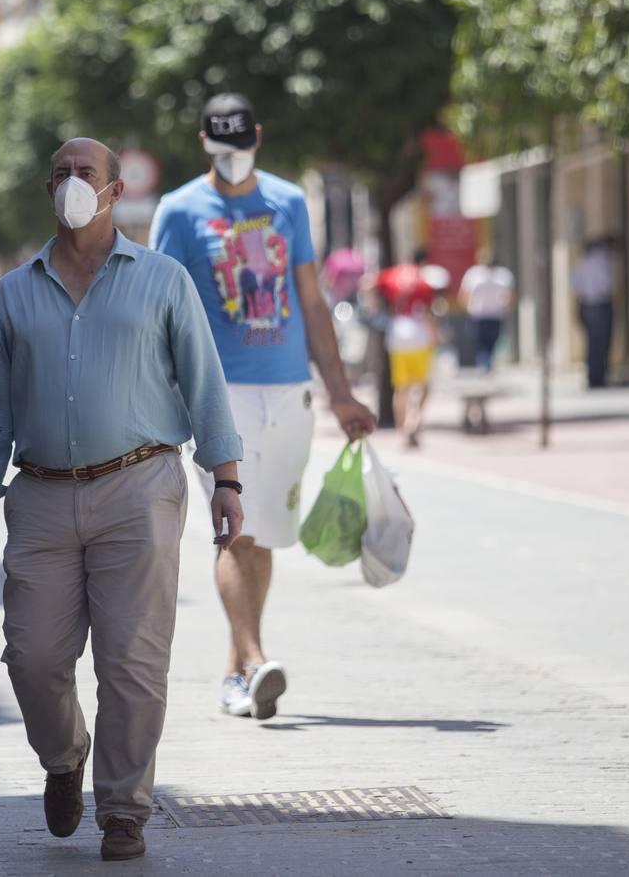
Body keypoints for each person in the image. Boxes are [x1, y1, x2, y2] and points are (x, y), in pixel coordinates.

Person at [0, 138, 244, 863]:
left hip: (140, 485)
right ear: (44, 188)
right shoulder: (14, 294)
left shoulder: (163, 280)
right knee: (31, 657)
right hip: (43, 496)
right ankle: (64, 758)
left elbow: (203, 382)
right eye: (60, 174)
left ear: (114, 191)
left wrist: (227, 478)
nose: (72, 184)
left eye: (86, 174)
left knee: (132, 662)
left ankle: (124, 809)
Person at [149, 93, 375, 721]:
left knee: (266, 535)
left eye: (241, 149)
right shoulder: (179, 210)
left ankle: (237, 675)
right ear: (204, 144)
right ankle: (254, 658)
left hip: (289, 391)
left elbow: (310, 300)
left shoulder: (288, 202)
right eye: (220, 152)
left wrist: (340, 392)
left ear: (258, 138)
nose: (232, 161)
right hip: (216, 394)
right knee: (234, 531)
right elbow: (158, 307)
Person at [376, 248, 439, 448]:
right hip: (419, 334)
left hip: (397, 332)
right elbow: (428, 313)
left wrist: (375, 310)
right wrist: (436, 335)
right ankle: (414, 422)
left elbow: (368, 284)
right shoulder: (424, 282)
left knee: (402, 387)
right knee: (424, 385)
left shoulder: (393, 275)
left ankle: (403, 431)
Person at [459, 248, 514, 373]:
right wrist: (468, 306)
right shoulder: (473, 274)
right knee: (481, 342)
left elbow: (508, 295)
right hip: (479, 315)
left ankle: (486, 364)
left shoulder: (503, 275)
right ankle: (486, 364)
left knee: (492, 342)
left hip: (495, 315)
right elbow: (464, 294)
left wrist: (506, 307)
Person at [571, 236, 616, 389]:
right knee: (602, 343)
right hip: (601, 305)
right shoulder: (602, 263)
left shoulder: (582, 264)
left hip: (587, 305)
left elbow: (576, 287)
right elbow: (607, 285)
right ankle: (600, 377)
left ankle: (593, 377)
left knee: (592, 343)